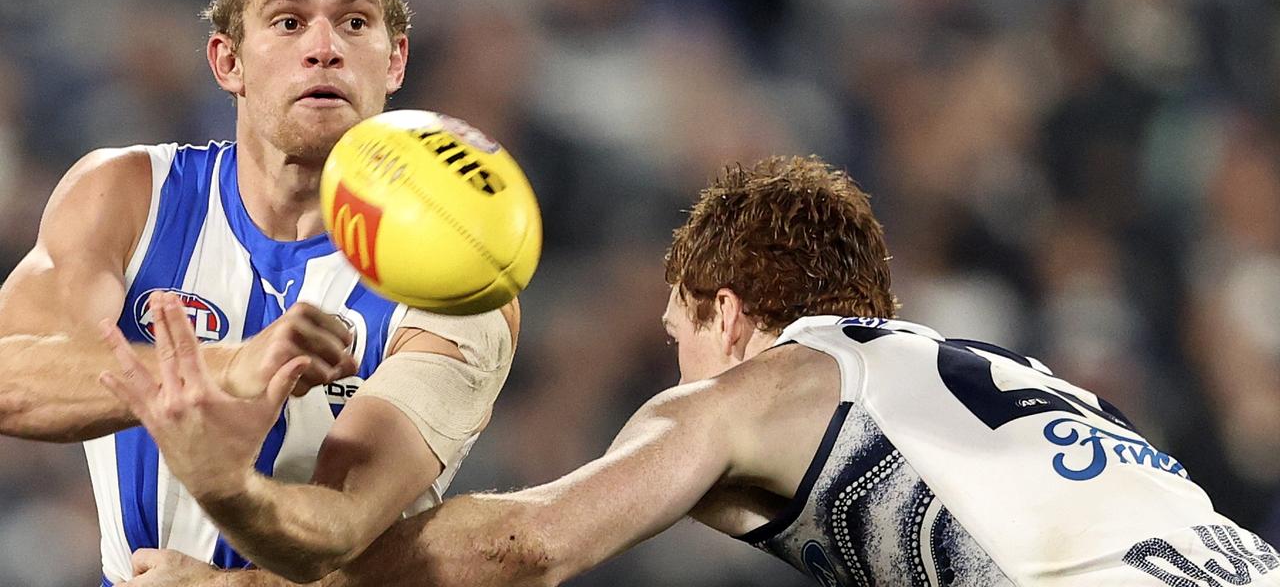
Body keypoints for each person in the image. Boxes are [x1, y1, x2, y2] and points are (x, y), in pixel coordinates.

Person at [110, 154, 1280, 586]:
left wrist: (262, 580)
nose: (671, 361)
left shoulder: (769, 381)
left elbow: (528, 545)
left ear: (726, 309)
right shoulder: (1006, 380)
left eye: (678, 330)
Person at [0, 0, 518, 586]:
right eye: (287, 21)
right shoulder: (126, 194)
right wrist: (230, 366)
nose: (324, 49)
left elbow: (334, 529)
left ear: (394, 62)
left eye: (355, 22)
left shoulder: (461, 277)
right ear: (228, 62)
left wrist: (229, 546)